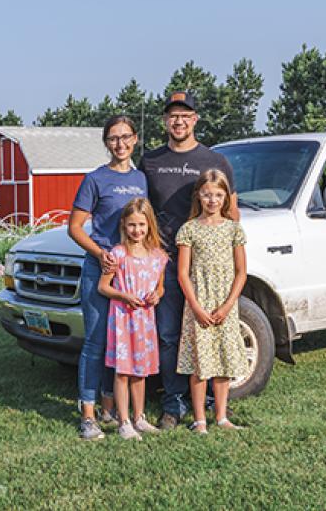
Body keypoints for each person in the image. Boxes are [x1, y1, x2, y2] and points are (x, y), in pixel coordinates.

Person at [131, 90, 239, 431]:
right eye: (172, 116)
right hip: (164, 259)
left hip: (208, 263)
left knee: (209, 330)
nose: (178, 121)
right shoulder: (150, 161)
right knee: (168, 334)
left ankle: (210, 406)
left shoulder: (216, 161)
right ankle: (172, 404)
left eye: (185, 115)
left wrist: (231, 252)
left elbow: (232, 213)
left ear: (194, 120)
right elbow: (140, 210)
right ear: (166, 121)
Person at [69, 115, 148, 441]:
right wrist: (100, 254)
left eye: (126, 137)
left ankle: (109, 408)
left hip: (131, 273)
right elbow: (75, 227)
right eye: (113, 138)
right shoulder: (95, 180)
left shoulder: (142, 179)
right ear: (106, 143)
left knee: (121, 345)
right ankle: (88, 414)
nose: (120, 143)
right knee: (96, 341)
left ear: (135, 140)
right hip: (101, 269)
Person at [175, 169, 249, 432]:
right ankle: (199, 420)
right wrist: (196, 307)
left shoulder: (233, 230)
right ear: (199, 196)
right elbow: (183, 273)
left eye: (218, 195)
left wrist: (228, 305)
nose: (212, 200)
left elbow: (241, 272)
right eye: (207, 195)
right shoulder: (189, 229)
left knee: (223, 360)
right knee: (200, 364)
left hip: (225, 304)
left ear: (226, 198)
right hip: (199, 304)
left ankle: (221, 416)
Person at [97, 198, 167, 440]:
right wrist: (124, 296)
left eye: (141, 225)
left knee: (141, 372)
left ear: (150, 225)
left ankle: (140, 417)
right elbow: (103, 287)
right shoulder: (118, 254)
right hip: (123, 320)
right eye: (131, 225)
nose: (137, 230)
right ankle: (123, 420)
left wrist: (156, 295)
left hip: (145, 321)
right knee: (123, 372)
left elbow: (160, 288)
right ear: (123, 226)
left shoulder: (158, 256)